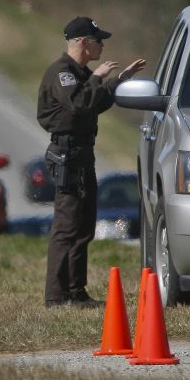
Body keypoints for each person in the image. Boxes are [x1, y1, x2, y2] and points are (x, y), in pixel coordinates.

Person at [36, 16, 145, 308]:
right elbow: (78, 103)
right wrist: (98, 77)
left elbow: (96, 102)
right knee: (67, 225)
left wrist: (120, 80)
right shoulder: (63, 73)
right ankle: (57, 296)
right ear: (83, 42)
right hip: (68, 155)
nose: (103, 45)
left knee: (83, 226)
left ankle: (76, 292)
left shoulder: (79, 73)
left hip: (82, 154)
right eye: (99, 40)